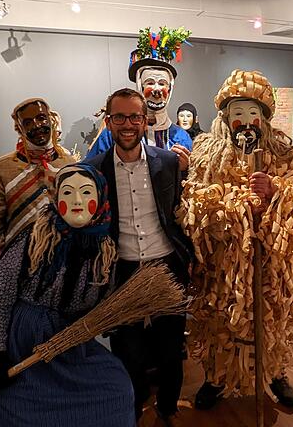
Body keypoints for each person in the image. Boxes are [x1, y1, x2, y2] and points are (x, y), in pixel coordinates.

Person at [178, 69, 293, 409]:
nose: (245, 122)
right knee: (221, 318)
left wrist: (276, 192)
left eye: (252, 114)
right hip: (224, 263)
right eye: (237, 114)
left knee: (270, 319)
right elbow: (192, 203)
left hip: (271, 263)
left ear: (264, 118)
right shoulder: (206, 155)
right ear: (225, 118)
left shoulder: (286, 157)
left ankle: (273, 373)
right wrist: (231, 210)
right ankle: (216, 378)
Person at [0, 163, 134, 426]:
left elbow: (102, 300)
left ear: (101, 198)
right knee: (18, 410)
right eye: (68, 193)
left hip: (68, 342)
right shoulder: (36, 238)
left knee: (116, 388)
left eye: (86, 193)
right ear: (56, 199)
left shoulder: (105, 249)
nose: (77, 201)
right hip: (21, 342)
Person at [84, 88, 193, 426]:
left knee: (171, 351)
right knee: (128, 352)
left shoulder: (169, 162)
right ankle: (132, 406)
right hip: (123, 272)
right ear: (109, 122)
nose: (127, 124)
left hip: (166, 267)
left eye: (134, 117)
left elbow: (180, 210)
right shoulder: (94, 169)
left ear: (145, 121)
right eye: (119, 117)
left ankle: (168, 408)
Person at [0, 98, 75, 276]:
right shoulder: (1, 170)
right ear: (18, 128)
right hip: (21, 270)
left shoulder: (69, 163)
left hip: (67, 265)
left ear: (51, 120)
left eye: (41, 118)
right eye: (27, 122)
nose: (37, 125)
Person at [86, 27, 192, 168]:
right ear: (139, 86)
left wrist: (186, 169)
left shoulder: (180, 137)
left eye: (162, 83)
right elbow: (88, 173)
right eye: (149, 82)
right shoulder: (113, 134)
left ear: (170, 89)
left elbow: (193, 182)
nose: (156, 90)